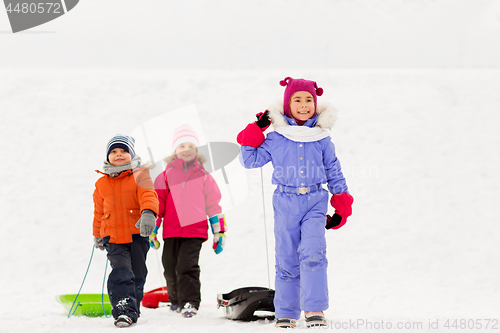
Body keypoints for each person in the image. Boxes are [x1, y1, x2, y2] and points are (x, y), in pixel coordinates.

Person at [236, 77, 353, 328]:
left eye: (308, 100)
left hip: (315, 200)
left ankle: (314, 308)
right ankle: (287, 312)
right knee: (287, 257)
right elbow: (249, 161)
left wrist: (341, 200)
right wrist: (257, 130)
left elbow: (333, 169)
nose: (303, 105)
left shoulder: (321, 138)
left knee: (313, 254)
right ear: (287, 105)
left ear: (315, 103)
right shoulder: (277, 137)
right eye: (297, 100)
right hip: (285, 201)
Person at [150, 124, 227, 318]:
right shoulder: (165, 175)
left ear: (196, 150)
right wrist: (153, 229)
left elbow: (214, 205)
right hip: (172, 230)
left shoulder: (203, 175)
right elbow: (158, 204)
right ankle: (175, 300)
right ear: (175, 150)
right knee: (169, 264)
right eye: (181, 146)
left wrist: (219, 232)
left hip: (195, 230)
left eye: (190, 146)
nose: (186, 150)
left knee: (186, 265)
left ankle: (190, 302)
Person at [93, 134, 159, 328]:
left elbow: (149, 195)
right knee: (121, 272)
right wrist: (97, 233)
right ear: (108, 156)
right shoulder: (101, 183)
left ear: (131, 154)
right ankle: (123, 310)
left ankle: (133, 307)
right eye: (114, 151)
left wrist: (148, 213)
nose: (119, 154)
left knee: (138, 274)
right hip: (112, 237)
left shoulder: (140, 175)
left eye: (123, 151)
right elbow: (98, 211)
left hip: (137, 234)